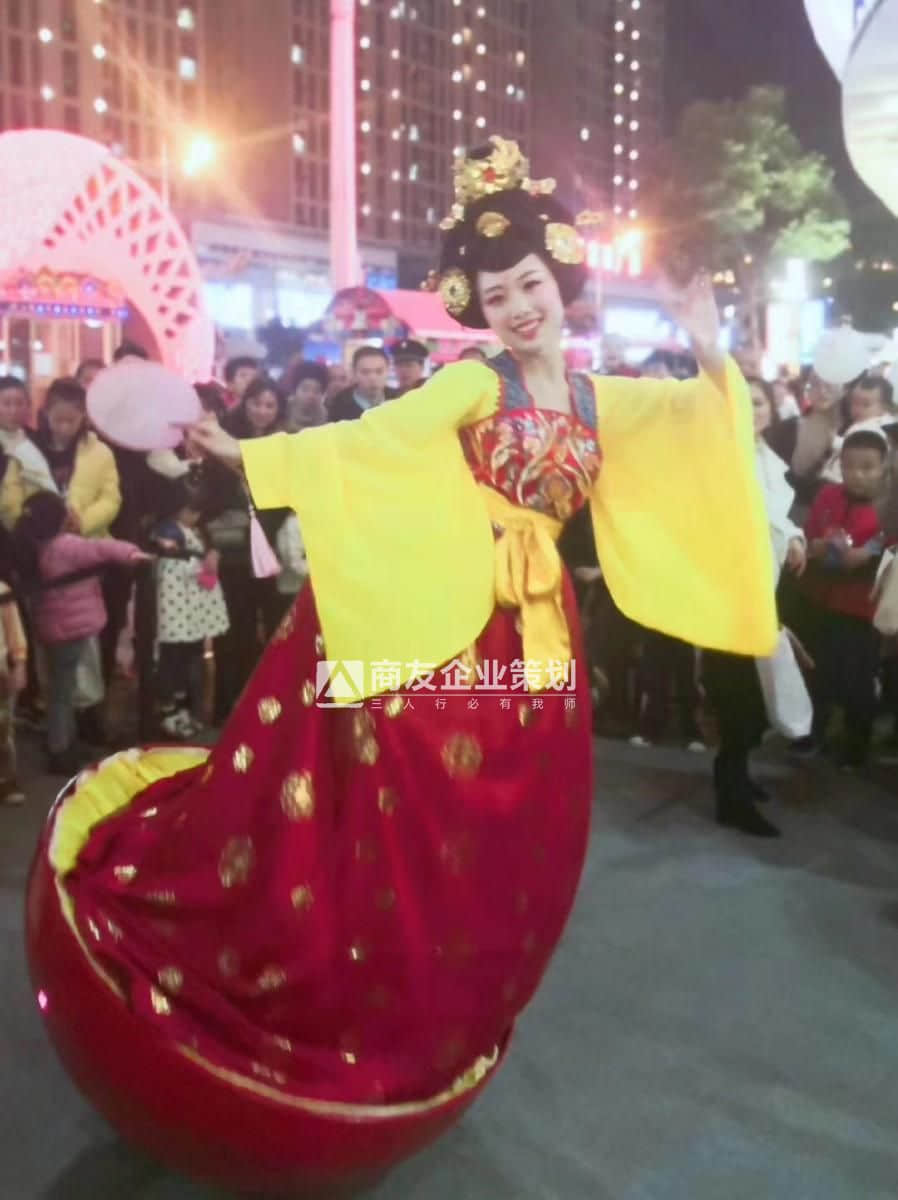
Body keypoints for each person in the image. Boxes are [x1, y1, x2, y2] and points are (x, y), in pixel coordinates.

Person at [28, 137, 776, 1192]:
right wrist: (250, 452)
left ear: (560, 284)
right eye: (498, 294)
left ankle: (445, 994)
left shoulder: (602, 397)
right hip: (446, 610)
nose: (520, 307)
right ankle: (345, 983)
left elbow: (701, 425)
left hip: (535, 636)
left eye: (532, 285)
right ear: (479, 307)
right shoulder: (474, 380)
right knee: (397, 803)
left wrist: (708, 352)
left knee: (518, 826)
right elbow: (373, 440)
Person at [703, 377, 808, 837]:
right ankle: (731, 797)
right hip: (728, 597)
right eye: (742, 399)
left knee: (754, 696)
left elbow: (774, 516)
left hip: (760, 593)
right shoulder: (718, 456)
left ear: (771, 409)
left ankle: (739, 777)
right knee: (736, 699)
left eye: (759, 400)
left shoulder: (766, 457)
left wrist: (794, 536)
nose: (752, 407)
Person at [14, 491, 145, 774]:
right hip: (73, 629)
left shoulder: (32, 547)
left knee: (58, 690)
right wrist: (134, 554)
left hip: (50, 629)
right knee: (64, 694)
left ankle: (65, 743)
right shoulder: (66, 546)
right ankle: (61, 750)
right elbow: (102, 549)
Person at [803, 428, 890, 767]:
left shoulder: (889, 506)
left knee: (858, 680)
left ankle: (855, 749)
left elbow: (890, 545)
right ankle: (813, 734)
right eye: (850, 466)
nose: (857, 475)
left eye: (867, 467)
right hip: (821, 601)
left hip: (863, 609)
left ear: (884, 467)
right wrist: (819, 546)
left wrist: (869, 553)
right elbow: (808, 537)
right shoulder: (828, 495)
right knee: (818, 673)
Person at [206, 375, 290, 719]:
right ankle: (228, 706)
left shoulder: (284, 445)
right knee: (233, 629)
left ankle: (270, 705)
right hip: (233, 550)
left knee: (274, 629)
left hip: (273, 551)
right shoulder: (224, 441)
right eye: (256, 403)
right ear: (245, 403)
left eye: (270, 405)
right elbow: (211, 496)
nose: (262, 411)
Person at [149, 480, 229, 740]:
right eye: (191, 510)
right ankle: (169, 711)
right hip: (175, 609)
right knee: (172, 659)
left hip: (189, 609)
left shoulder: (192, 531)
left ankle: (182, 709)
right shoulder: (167, 532)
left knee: (186, 659)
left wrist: (207, 563)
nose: (195, 516)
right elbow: (174, 565)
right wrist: (204, 565)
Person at [0, 527, 28, 805]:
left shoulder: (3, 592)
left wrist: (19, 664)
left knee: (3, 729)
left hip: (1, 671)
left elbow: (14, 632)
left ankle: (6, 782)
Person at [0, 376, 56, 493]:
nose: (13, 411)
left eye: (19, 403)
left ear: (28, 406)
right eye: (6, 404)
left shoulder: (38, 440)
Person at [326, 345, 398, 422]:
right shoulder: (338, 406)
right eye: (365, 372)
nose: (372, 378)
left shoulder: (398, 400)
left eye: (379, 371)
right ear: (354, 373)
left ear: (388, 371)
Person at [282, 361, 329, 432]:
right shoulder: (283, 411)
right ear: (295, 391)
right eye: (305, 389)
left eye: (316, 391)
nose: (311, 395)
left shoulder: (325, 417)